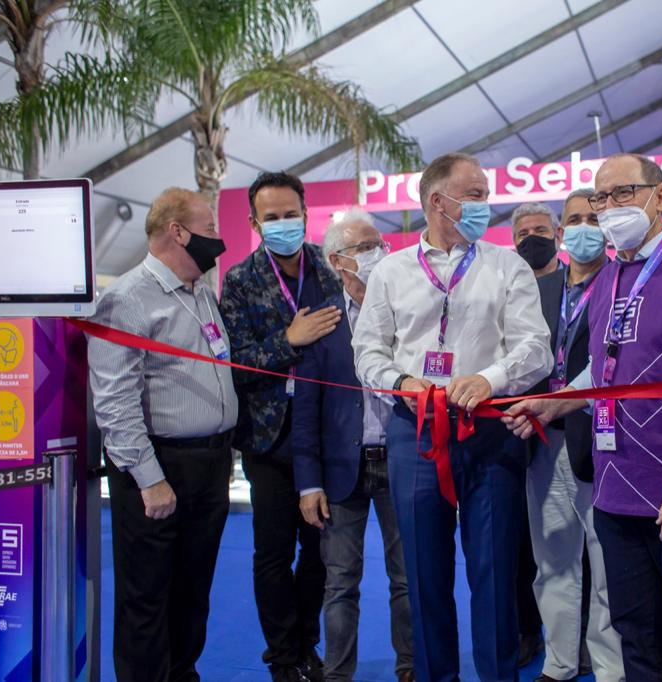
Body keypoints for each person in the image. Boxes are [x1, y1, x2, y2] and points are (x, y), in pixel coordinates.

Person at [504, 153, 662, 681]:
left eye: (624, 193)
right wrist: (557, 403)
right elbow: (607, 365)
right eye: (601, 197)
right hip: (616, 492)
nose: (611, 207)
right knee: (638, 641)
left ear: (660, 196)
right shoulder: (611, 275)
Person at [352, 152, 553, 682]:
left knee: (495, 573)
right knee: (423, 572)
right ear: (438, 202)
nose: (487, 205)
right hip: (414, 432)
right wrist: (401, 382)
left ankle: (499, 675)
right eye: (477, 194)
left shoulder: (507, 265)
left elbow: (536, 347)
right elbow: (368, 351)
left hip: (489, 432)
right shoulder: (391, 271)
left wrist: (492, 379)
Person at [89, 187, 238, 682]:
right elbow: (115, 401)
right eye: (211, 228)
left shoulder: (199, 289)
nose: (218, 238)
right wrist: (149, 478)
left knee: (193, 592)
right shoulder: (127, 298)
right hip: (159, 467)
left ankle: (182, 673)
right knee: (147, 598)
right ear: (178, 231)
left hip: (210, 463)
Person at [220, 171, 341, 682]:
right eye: (272, 218)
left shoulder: (328, 269)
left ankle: (309, 644)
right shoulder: (240, 280)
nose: (283, 224)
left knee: (320, 553)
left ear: (306, 214)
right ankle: (282, 656)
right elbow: (236, 364)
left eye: (291, 214)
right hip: (269, 439)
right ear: (254, 222)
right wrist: (288, 339)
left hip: (327, 433)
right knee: (273, 553)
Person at [291, 209, 414, 682]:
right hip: (342, 469)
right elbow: (306, 411)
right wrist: (308, 484)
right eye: (362, 248)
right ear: (337, 261)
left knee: (406, 579)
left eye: (376, 243)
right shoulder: (322, 320)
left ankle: (411, 667)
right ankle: (338, 675)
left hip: (401, 460)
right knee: (340, 582)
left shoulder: (407, 308)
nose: (375, 253)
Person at [528, 188, 624, 682]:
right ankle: (560, 663)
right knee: (552, 560)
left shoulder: (623, 284)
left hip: (603, 439)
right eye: (575, 220)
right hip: (543, 441)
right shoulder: (539, 292)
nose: (585, 227)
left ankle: (609, 668)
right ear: (561, 232)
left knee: (605, 562)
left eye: (595, 218)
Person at [509, 200, 562, 665]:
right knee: (521, 547)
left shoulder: (578, 284)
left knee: (572, 546)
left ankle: (577, 640)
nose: (532, 238)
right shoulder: (507, 286)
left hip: (569, 427)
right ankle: (529, 633)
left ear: (558, 234)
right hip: (514, 431)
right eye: (523, 232)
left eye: (540, 229)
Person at [512, 201, 565, 276]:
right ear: (515, 242)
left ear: (558, 235)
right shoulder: (507, 285)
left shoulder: (579, 282)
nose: (531, 236)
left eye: (540, 231)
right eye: (523, 234)